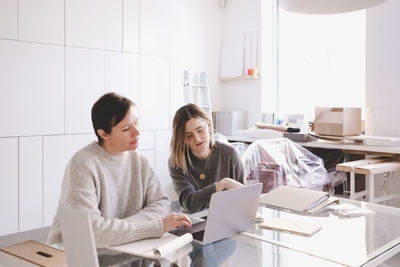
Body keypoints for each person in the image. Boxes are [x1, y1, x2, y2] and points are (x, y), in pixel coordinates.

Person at [47, 92, 191, 247]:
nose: (137, 132)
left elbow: (161, 203)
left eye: (137, 123)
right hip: (77, 254)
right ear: (103, 134)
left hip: (127, 247)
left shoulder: (139, 161)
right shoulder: (82, 165)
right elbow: (91, 233)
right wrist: (156, 226)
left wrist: (119, 230)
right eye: (126, 128)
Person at [169, 103, 244, 213]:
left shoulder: (229, 154)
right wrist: (220, 186)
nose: (197, 138)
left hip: (228, 216)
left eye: (200, 130)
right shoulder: (177, 161)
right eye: (189, 135)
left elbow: (243, 196)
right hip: (195, 221)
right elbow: (189, 204)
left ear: (208, 125)